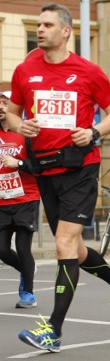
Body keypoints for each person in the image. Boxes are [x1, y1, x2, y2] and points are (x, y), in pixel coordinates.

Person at [7, 4, 110, 352]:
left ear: (66, 31)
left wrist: (94, 132)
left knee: (64, 243)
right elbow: (12, 113)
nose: (40, 29)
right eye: (38, 24)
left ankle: (53, 330)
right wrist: (21, 126)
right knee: (77, 250)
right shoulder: (25, 70)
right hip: (45, 169)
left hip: (80, 168)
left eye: (48, 24)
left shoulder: (87, 71)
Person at [0, 90, 40, 309]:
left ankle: (28, 293)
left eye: (5, 103)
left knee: (23, 249)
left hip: (26, 198)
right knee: (2, 250)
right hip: (2, 202)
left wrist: (20, 164)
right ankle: (27, 270)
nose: (0, 107)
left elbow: (40, 167)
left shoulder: (27, 134)